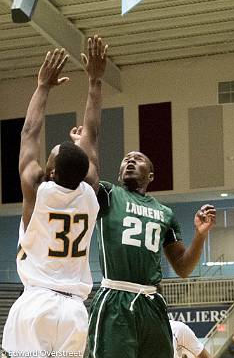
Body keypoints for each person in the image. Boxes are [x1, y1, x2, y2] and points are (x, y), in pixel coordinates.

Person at [2, 35, 108, 356]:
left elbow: (29, 132)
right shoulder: (90, 192)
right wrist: (94, 81)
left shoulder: (37, 190)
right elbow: (91, 134)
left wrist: (43, 86)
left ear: (50, 171)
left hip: (36, 302)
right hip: (75, 311)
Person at [71, 135, 216, 356]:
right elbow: (87, 174)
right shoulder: (109, 194)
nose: (130, 161)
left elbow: (183, 268)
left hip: (151, 302)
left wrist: (200, 235)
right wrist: (81, 146)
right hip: (115, 297)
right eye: (126, 160)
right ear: (119, 173)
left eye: (137, 159)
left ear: (150, 175)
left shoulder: (165, 213)